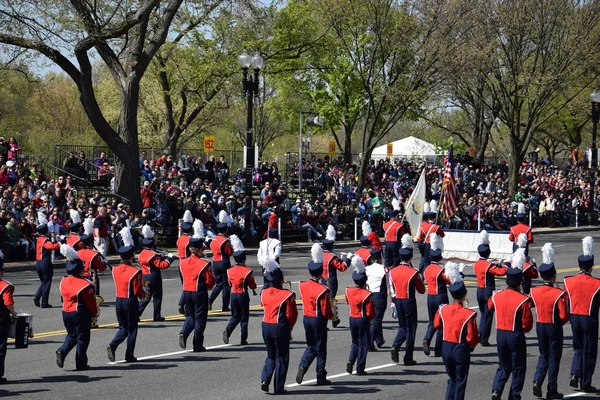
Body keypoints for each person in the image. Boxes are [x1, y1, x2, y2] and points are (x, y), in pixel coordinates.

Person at [489, 250, 533, 400]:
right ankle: (514, 396)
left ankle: (496, 389)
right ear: (519, 282)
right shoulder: (523, 300)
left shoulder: (497, 295)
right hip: (515, 334)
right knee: (519, 367)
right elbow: (527, 324)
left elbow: (489, 307)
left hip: (500, 334)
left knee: (503, 365)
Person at [433, 261, 479, 400]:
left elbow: (436, 325)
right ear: (464, 295)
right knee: (460, 381)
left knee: (452, 379)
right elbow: (472, 338)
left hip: (445, 347)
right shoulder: (468, 313)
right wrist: (470, 347)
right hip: (460, 348)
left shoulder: (443, 309)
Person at [530, 243, 569, 400]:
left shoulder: (534, 290)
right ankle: (551, 389)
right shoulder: (558, 293)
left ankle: (537, 380)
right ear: (553, 276)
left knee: (543, 355)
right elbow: (564, 315)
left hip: (540, 325)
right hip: (553, 326)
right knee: (554, 359)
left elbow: (531, 303)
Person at [564, 236, 600, 393]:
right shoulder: (597, 283)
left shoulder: (568, 280)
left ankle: (575, 372)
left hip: (574, 317)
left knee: (578, 347)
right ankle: (585, 383)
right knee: (590, 350)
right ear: (591, 267)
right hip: (588, 318)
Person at [260, 255, 298, 395]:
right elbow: (291, 315)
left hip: (265, 325)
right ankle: (278, 387)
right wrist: (289, 328)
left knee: (271, 355)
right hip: (279, 326)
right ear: (280, 280)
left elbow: (262, 304)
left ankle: (265, 379)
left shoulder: (263, 292)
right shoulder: (287, 295)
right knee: (282, 357)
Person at [296, 244, 333, 385]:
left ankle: (303, 365)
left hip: (306, 318)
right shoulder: (323, 289)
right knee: (321, 348)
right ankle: (320, 376)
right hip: (318, 320)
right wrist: (332, 315)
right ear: (320, 273)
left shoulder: (302, 285)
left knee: (311, 346)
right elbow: (325, 310)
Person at [56, 244, 97, 371]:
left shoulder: (63, 280)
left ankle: (62, 351)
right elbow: (90, 303)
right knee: (83, 338)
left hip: (65, 311)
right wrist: (94, 313)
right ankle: (81, 364)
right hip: (79, 312)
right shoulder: (86, 284)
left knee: (71, 335)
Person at [107, 228, 145, 363]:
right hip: (130, 301)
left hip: (119, 300)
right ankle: (129, 355)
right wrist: (144, 293)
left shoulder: (115, 269)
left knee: (123, 328)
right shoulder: (135, 271)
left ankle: (113, 344)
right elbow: (137, 291)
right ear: (130, 257)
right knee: (132, 329)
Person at [389, 234, 425, 366]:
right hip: (409, 301)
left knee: (403, 327)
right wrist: (419, 277)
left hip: (398, 300)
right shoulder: (413, 272)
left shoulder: (392, 271)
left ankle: (396, 345)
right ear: (410, 257)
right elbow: (421, 290)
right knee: (411, 329)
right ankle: (408, 357)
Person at [179, 236, 215, 352]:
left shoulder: (182, 262)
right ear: (200, 249)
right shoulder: (204, 264)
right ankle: (197, 345)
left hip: (186, 291)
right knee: (200, 319)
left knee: (190, 315)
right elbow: (209, 281)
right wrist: (210, 286)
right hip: (199, 292)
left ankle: (184, 332)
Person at [474, 230, 507, 346]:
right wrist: (504, 265)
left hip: (479, 290)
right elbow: (500, 272)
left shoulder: (477, 263)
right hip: (487, 291)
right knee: (488, 315)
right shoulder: (488, 265)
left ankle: (480, 334)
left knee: (483, 314)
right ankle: (484, 339)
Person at [223, 235, 256, 346]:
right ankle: (243, 339)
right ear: (244, 259)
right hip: (242, 294)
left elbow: (229, 283)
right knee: (244, 318)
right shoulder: (248, 271)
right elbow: (252, 286)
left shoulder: (229, 270)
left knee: (235, 316)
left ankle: (228, 330)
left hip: (233, 294)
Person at [345, 255, 376, 375]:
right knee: (363, 344)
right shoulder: (367, 294)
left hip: (352, 318)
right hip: (362, 319)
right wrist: (371, 319)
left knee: (354, 342)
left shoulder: (348, 290)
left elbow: (348, 301)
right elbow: (370, 311)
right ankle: (360, 368)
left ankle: (351, 360)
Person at [138, 225, 175, 322]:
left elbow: (152, 260)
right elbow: (162, 265)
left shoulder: (142, 253)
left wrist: (161, 256)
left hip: (144, 276)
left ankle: (136, 313)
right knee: (157, 296)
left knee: (145, 297)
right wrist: (169, 259)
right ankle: (157, 316)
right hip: (154, 276)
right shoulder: (153, 255)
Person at [423, 233, 451, 358]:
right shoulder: (441, 269)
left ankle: (427, 338)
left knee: (431, 321)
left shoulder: (427, 268)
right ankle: (438, 349)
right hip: (440, 296)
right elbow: (449, 280)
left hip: (430, 296)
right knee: (441, 323)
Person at [77, 219, 108, 328]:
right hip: (91, 278)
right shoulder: (93, 254)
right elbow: (102, 268)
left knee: (82, 301)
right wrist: (104, 262)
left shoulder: (78, 253)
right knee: (92, 302)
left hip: (80, 278)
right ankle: (91, 321)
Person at [321, 225, 350, 328]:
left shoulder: (321, 255)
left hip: (322, 280)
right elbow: (342, 267)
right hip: (331, 280)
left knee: (324, 300)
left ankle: (329, 320)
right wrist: (348, 259)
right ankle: (334, 319)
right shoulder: (331, 256)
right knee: (331, 300)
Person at [34, 212, 61, 308]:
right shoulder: (45, 240)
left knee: (44, 282)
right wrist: (59, 243)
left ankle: (38, 296)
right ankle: (44, 302)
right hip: (45, 263)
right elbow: (51, 246)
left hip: (38, 262)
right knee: (47, 282)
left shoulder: (39, 239)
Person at [209, 218, 234, 312]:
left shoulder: (213, 239)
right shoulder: (225, 241)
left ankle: (210, 300)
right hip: (223, 261)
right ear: (225, 230)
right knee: (226, 285)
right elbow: (229, 252)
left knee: (219, 284)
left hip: (215, 262)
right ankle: (225, 306)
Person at [366, 249, 388, 351]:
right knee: (377, 320)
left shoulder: (366, 269)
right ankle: (369, 342)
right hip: (380, 295)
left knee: (374, 319)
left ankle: (379, 339)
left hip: (368, 294)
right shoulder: (384, 268)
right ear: (380, 259)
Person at [0, 253, 17, 383]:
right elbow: (8, 303)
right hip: (1, 319)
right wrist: (14, 313)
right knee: (0, 347)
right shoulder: (5, 286)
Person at [416, 206, 445, 276]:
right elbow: (442, 235)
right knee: (427, 260)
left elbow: (420, 236)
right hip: (429, 244)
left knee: (423, 257)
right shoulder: (436, 227)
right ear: (434, 218)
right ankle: (423, 274)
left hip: (421, 243)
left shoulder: (422, 224)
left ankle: (421, 267)